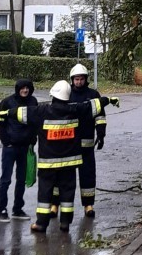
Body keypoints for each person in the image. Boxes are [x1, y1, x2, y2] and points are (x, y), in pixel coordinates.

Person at [30, 81, 116, 235]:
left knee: (45, 193)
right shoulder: (75, 110)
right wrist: (108, 100)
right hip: (69, 161)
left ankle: (41, 224)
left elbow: (22, 113)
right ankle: (65, 223)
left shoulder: (42, 111)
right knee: (67, 192)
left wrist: (6, 114)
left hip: (48, 164)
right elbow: (93, 106)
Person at [0, 77, 37, 220]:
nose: (25, 90)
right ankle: (2, 209)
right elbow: (0, 124)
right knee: (6, 179)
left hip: (25, 147)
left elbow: (35, 122)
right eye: (22, 88)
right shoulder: (7, 102)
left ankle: (17, 209)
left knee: (21, 179)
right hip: (10, 148)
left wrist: (33, 139)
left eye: (27, 88)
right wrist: (6, 141)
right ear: (17, 89)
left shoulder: (33, 102)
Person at [69, 63, 106, 218]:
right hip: (68, 143)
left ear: (85, 79)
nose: (78, 82)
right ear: (72, 80)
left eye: (81, 79)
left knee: (88, 175)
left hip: (87, 143)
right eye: (76, 79)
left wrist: (101, 133)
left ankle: (88, 205)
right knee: (65, 178)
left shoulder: (93, 94)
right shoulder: (66, 94)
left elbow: (100, 116)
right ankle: (56, 205)